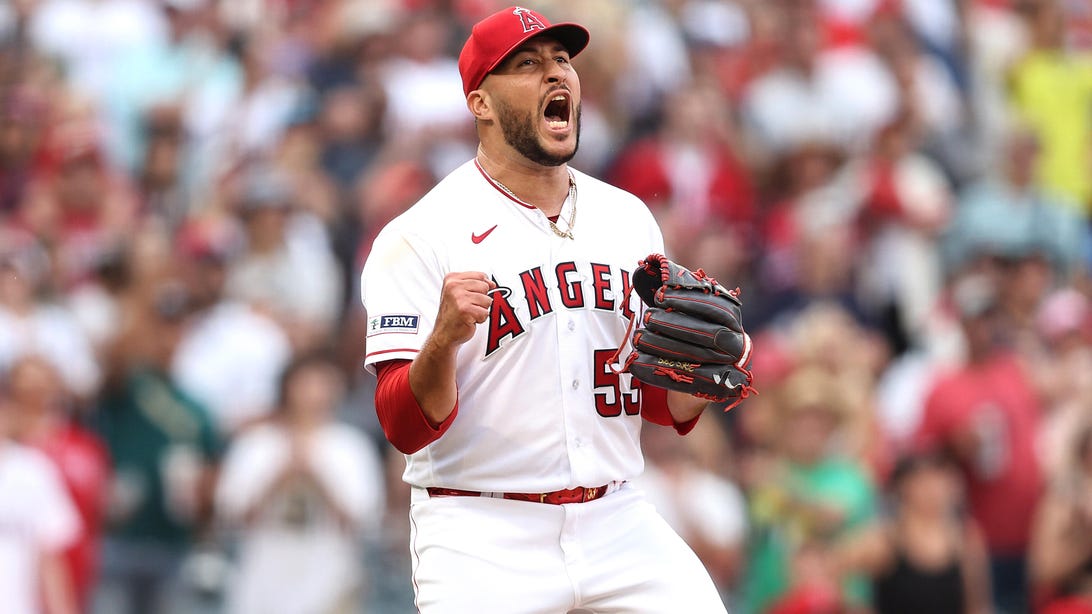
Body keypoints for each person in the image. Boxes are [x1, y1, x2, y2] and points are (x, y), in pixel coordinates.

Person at [360, 6, 731, 612]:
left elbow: (655, 402)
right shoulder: (421, 235)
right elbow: (402, 426)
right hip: (481, 529)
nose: (556, 73)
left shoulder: (628, 218)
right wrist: (443, 341)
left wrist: (702, 376)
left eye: (562, 59)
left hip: (615, 516)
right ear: (481, 103)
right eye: (528, 64)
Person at [215, 352, 386, 614]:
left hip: (330, 582)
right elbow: (232, 517)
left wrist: (317, 478)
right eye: (305, 383)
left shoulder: (351, 446)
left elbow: (363, 522)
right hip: (263, 580)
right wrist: (278, 478)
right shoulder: (256, 444)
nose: (313, 394)